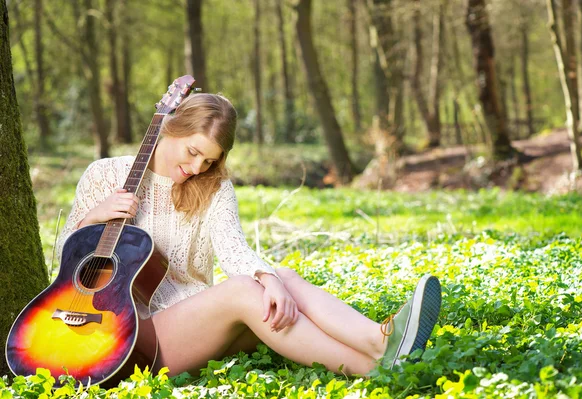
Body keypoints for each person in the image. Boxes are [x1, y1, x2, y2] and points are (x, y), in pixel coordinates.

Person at [57, 93, 442, 377]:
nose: (195, 168)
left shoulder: (213, 187)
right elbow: (61, 265)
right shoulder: (104, 175)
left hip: (199, 323)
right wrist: (92, 216)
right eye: (192, 152)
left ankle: (380, 341)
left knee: (283, 280)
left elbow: (233, 248)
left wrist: (269, 278)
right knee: (246, 291)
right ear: (170, 127)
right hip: (132, 335)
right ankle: (378, 367)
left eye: (208, 160)